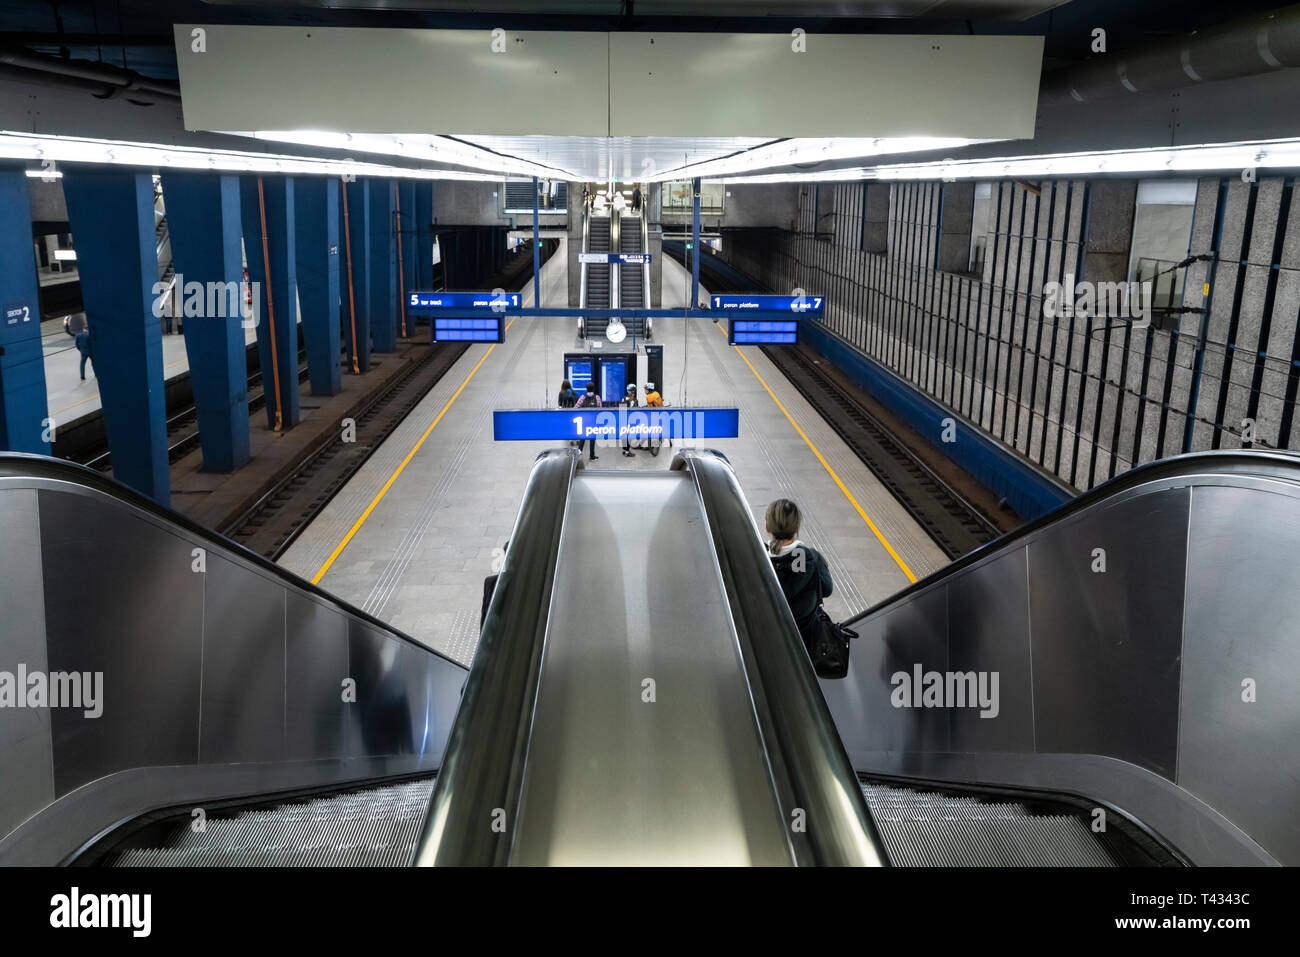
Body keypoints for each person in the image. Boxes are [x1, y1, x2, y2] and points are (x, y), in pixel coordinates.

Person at [765, 499, 833, 655]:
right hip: (807, 642)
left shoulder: (760, 559)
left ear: (768, 526)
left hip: (771, 641)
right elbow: (827, 590)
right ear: (797, 527)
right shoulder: (813, 558)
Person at [573, 380, 602, 461]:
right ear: (593, 389)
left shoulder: (582, 397)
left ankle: (578, 454)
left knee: (583, 437)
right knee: (592, 438)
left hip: (584, 420)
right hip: (593, 420)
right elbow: (600, 408)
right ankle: (592, 456)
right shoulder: (597, 397)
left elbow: (576, 407)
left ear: (586, 389)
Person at [619, 382, 639, 456]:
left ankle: (625, 450)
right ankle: (627, 451)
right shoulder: (634, 400)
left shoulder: (623, 398)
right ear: (633, 391)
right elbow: (636, 411)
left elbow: (621, 408)